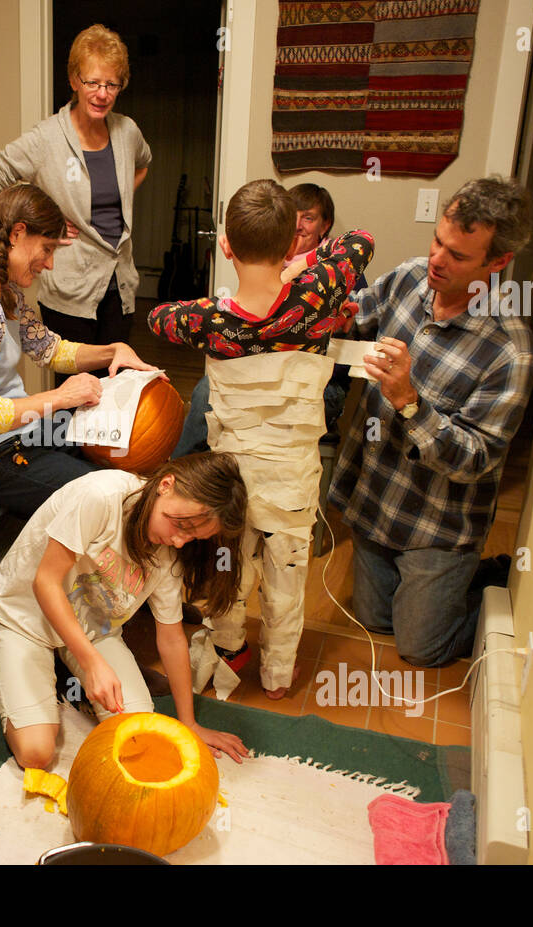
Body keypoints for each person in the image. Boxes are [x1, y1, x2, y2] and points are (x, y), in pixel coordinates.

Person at [149, 180, 374, 699]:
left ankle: (230, 648)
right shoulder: (316, 297)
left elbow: (157, 318)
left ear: (225, 245)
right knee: (286, 576)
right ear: (292, 243)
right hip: (290, 482)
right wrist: (301, 270)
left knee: (227, 567)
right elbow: (359, 240)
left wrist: (217, 302)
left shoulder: (209, 320)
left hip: (229, 484)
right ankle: (277, 673)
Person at [329, 176, 533, 668]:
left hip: (436, 523)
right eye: (438, 241)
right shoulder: (410, 277)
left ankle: (485, 576)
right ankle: (437, 589)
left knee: (420, 648)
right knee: (373, 619)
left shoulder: (510, 349)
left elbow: (476, 460)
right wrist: (336, 315)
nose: (438, 260)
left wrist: (409, 401)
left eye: (459, 256)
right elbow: (357, 318)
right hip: (377, 503)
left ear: (498, 262)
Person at [0, 453, 251, 769]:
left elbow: (171, 637)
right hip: (25, 619)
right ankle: (59, 670)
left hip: (93, 630)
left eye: (193, 535)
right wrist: (92, 663)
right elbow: (46, 582)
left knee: (139, 738)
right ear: (166, 485)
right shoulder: (100, 496)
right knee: (36, 753)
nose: (180, 541)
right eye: (183, 525)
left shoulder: (172, 549)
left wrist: (189, 723)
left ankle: (68, 670)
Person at [0, 183, 155, 518]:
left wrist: (113, 351)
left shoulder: (2, 291)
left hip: (25, 437)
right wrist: (62, 398)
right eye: (47, 249)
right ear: (18, 234)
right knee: (118, 497)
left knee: (124, 446)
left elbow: (49, 350)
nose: (49, 264)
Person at [0, 24, 150, 365]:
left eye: (112, 84)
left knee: (118, 388)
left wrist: (115, 202)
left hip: (120, 286)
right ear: (74, 80)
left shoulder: (127, 132)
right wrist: (36, 233)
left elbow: (142, 166)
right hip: (70, 292)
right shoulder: (45, 139)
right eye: (93, 82)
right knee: (76, 393)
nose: (102, 94)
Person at [174, 180, 347, 457]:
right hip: (256, 370)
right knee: (208, 391)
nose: (299, 225)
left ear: (325, 226)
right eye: (293, 218)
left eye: (309, 218)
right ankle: (189, 469)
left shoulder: (333, 275)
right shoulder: (264, 262)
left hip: (313, 381)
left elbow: (159, 318)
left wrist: (297, 272)